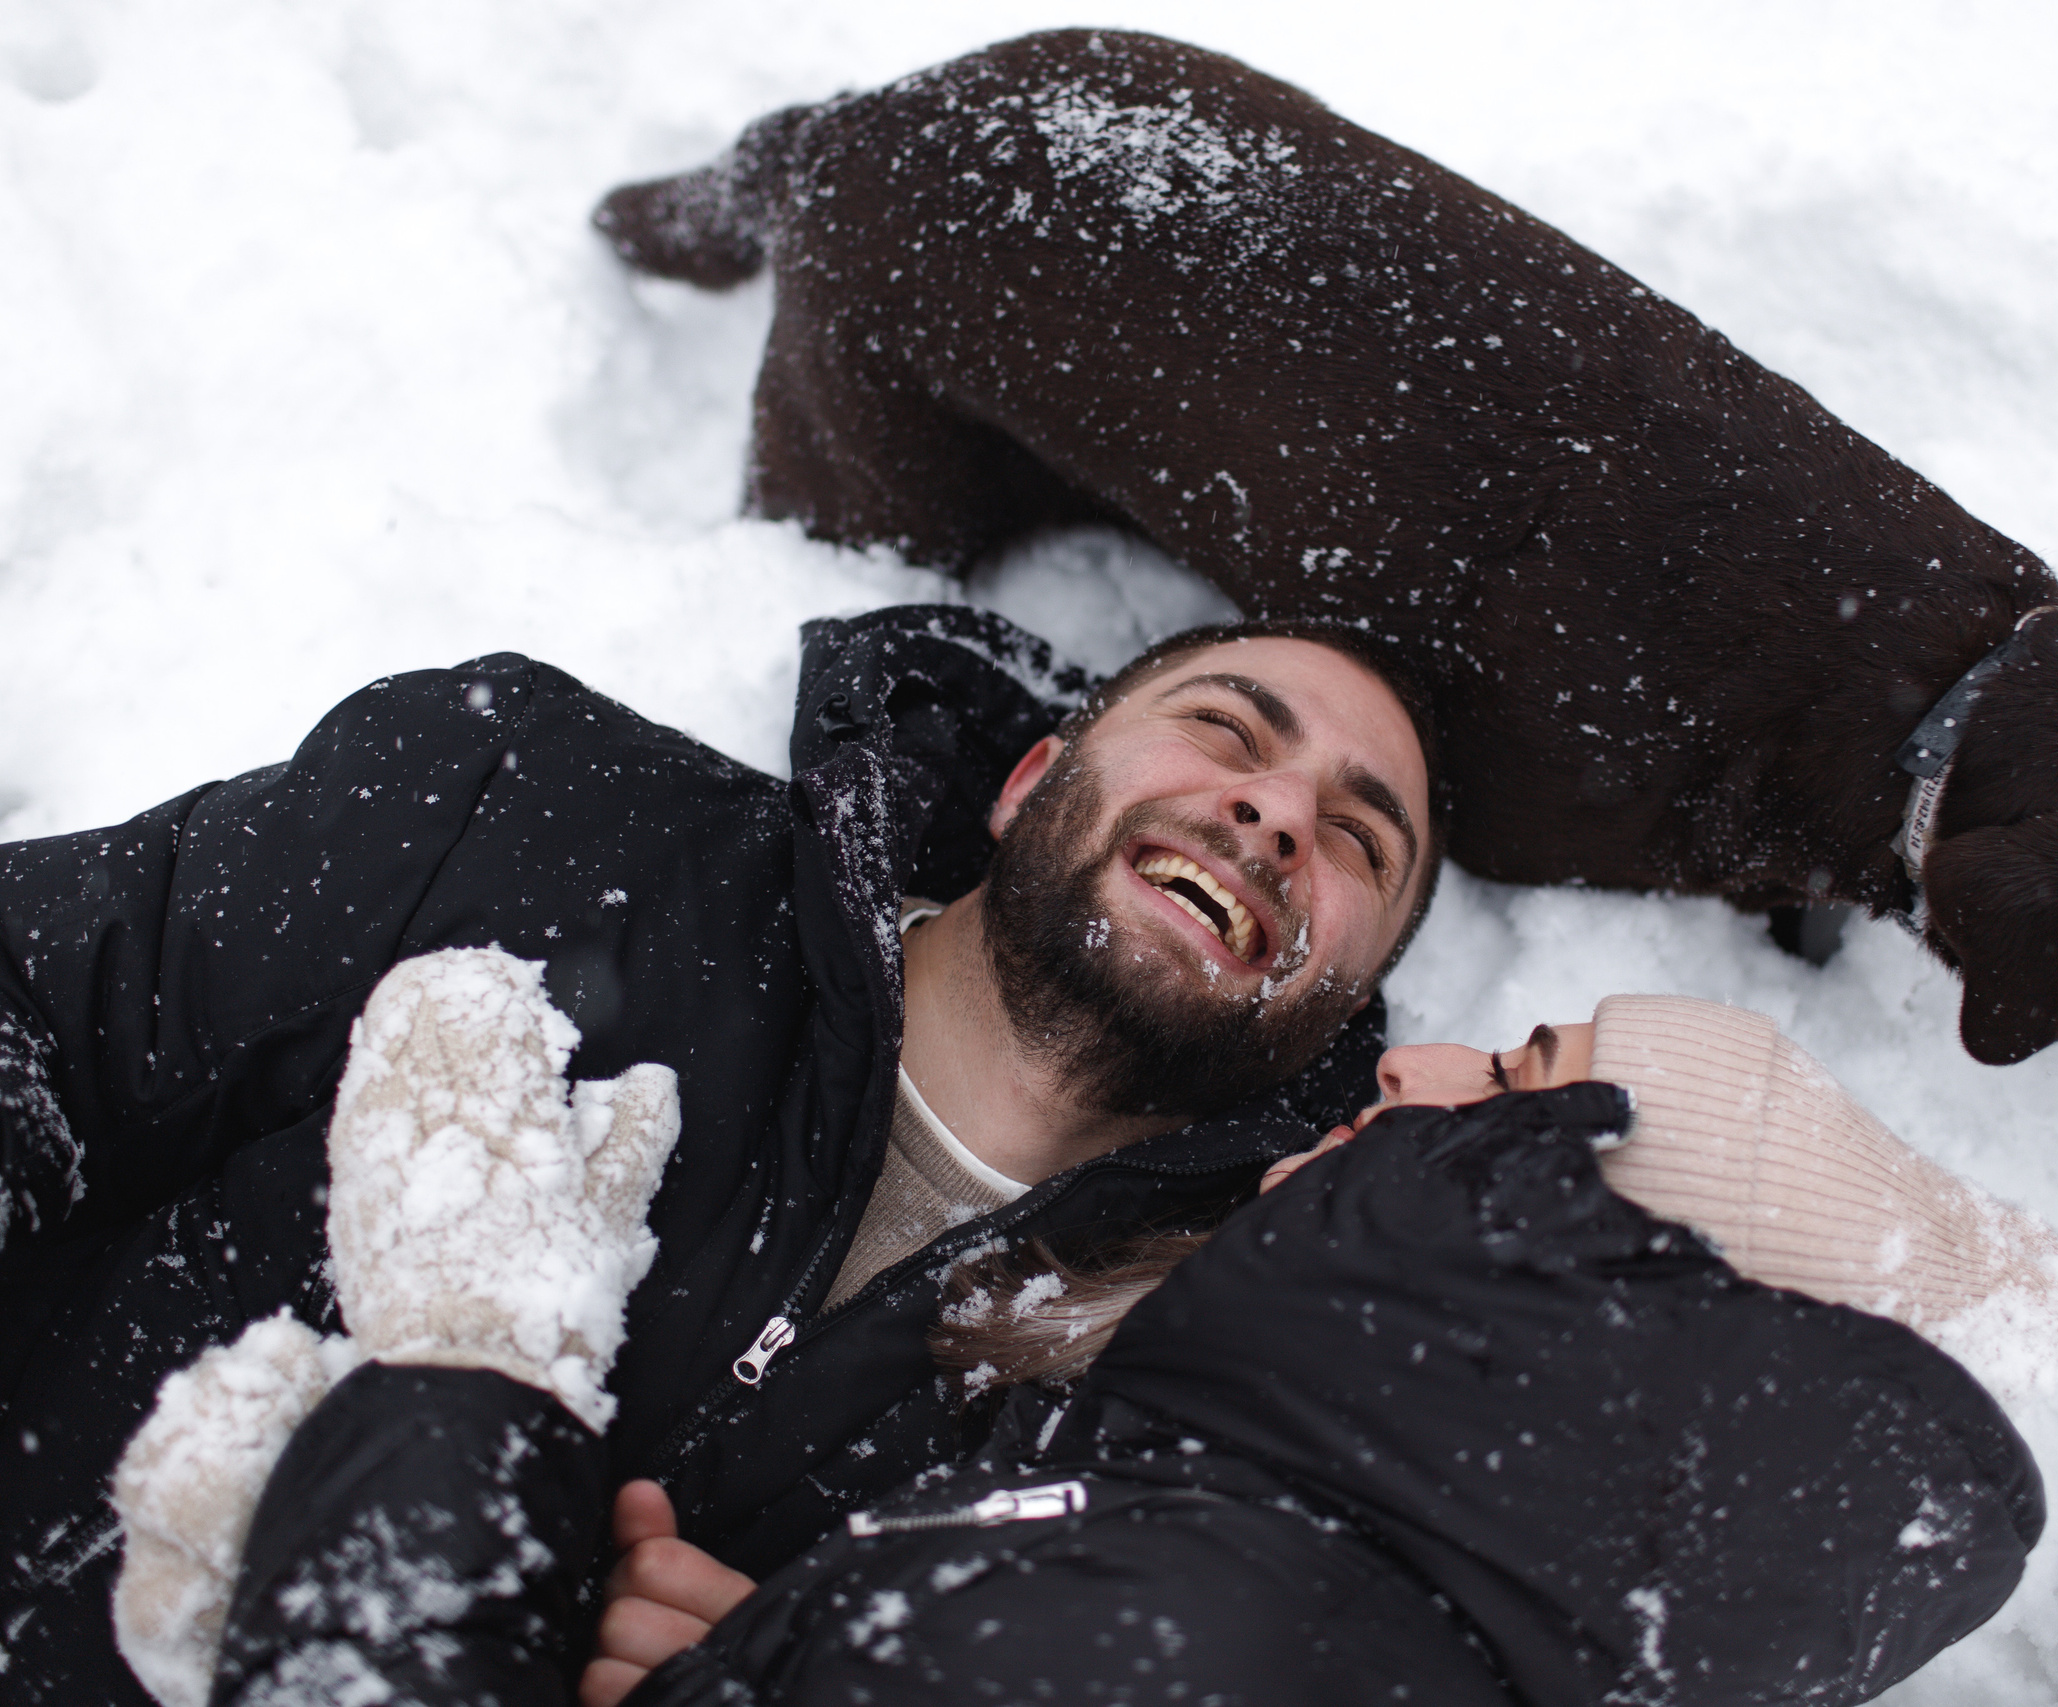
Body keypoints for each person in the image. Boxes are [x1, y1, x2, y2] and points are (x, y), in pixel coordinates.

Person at [0, 603, 1443, 1702]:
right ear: (1026, 782)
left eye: (1361, 843)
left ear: (1339, 1008)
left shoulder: (1175, 1401)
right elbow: (40, 1003)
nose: (1280, 815)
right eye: (1227, 731)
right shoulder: (543, 815)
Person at [128, 961, 2058, 1706]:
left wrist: (464, 1381)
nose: (1412, 1062)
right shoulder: (1298, 1600)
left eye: (1517, 1078)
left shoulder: (1198, 1641)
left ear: (1606, 1280)